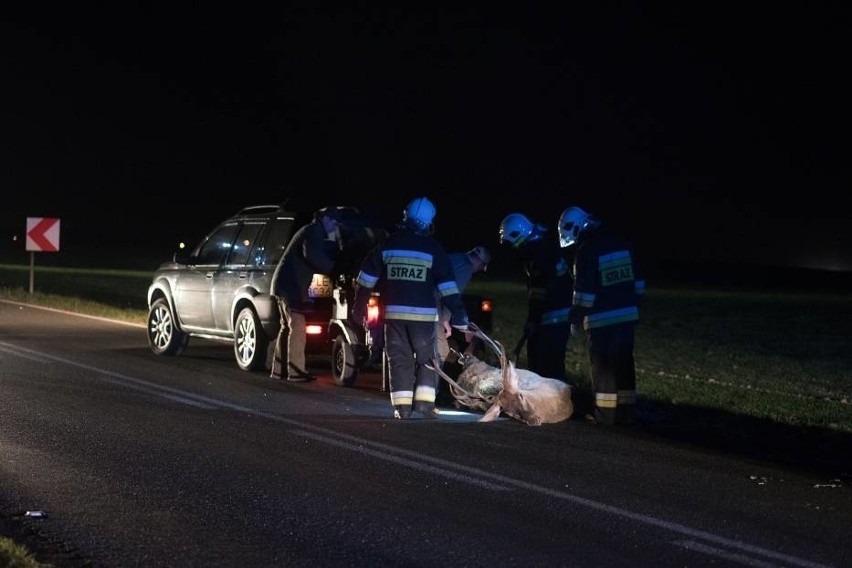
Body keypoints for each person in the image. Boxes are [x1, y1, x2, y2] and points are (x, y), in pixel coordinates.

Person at [353, 196, 470, 420]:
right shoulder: (433, 248)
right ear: (429, 222)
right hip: (423, 319)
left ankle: (402, 409)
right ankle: (425, 406)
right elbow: (448, 288)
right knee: (427, 359)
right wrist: (460, 316)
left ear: (405, 216)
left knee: (399, 359)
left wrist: (359, 309)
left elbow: (365, 280)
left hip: (394, 317)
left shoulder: (388, 245)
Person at [557, 206, 646, 425]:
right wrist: (634, 303)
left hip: (602, 319)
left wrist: (576, 318)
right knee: (624, 363)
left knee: (602, 367)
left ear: (576, 227)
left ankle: (604, 416)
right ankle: (627, 412)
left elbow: (584, 292)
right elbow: (639, 280)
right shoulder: (621, 241)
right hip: (627, 315)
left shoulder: (587, 249)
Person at [498, 212, 573, 381]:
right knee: (552, 365)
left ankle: (548, 402)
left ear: (519, 236)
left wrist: (532, 320)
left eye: (511, 242)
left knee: (544, 366)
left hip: (552, 318)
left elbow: (538, 293)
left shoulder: (539, 255)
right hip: (557, 316)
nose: (512, 248)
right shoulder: (543, 247)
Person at [270, 207, 341, 381]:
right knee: (298, 327)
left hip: (284, 285)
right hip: (291, 286)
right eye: (333, 221)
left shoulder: (311, 230)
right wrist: (334, 268)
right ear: (324, 219)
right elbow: (312, 254)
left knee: (287, 327)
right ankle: (296, 371)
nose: (335, 225)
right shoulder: (314, 230)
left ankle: (279, 370)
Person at [436, 245, 491, 363]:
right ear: (480, 262)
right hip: (432, 306)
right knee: (441, 351)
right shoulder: (466, 268)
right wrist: (448, 321)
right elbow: (451, 295)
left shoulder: (454, 258)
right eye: (481, 267)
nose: (478, 270)